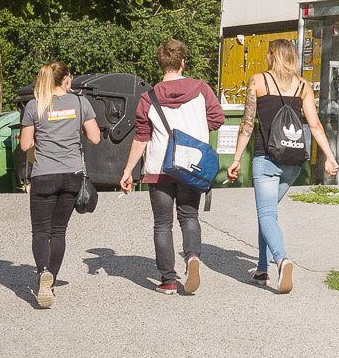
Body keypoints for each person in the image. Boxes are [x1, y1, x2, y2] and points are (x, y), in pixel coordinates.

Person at [226, 38, 337, 292]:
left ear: (272, 56)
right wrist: (330, 156)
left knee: (266, 214)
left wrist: (235, 160)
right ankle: (262, 267)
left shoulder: (258, 81)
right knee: (268, 214)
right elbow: (315, 125)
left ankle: (281, 259)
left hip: (266, 159)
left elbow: (247, 123)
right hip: (293, 162)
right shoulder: (303, 86)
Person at [118, 38, 224, 294]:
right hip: (192, 166)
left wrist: (127, 171)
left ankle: (167, 280)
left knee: (162, 224)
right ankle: (193, 259)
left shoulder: (148, 97)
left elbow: (142, 136)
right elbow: (218, 118)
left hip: (158, 168)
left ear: (161, 65)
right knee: (189, 216)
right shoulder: (201, 89)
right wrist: (196, 131)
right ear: (182, 63)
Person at [18, 63, 100, 309]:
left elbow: (24, 145)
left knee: (40, 232)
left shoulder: (35, 106)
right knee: (58, 232)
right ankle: (50, 282)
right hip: (71, 175)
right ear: (65, 79)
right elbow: (95, 138)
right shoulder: (79, 103)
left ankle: (42, 271)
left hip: (44, 175)